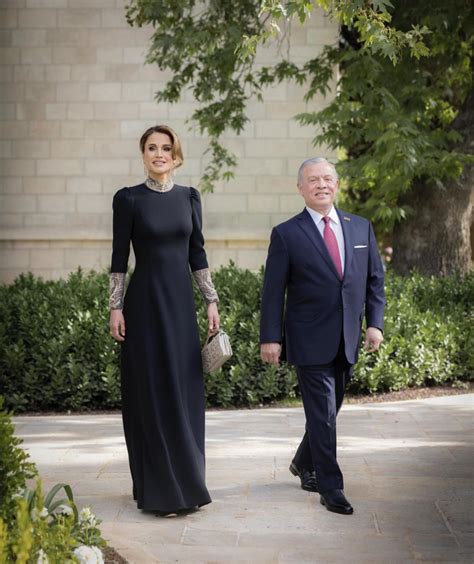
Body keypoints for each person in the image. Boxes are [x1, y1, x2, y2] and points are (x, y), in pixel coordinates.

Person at [260, 157, 385, 515]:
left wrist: (374, 324)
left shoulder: (360, 228)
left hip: (347, 337)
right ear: (300, 188)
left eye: (327, 178)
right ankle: (331, 486)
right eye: (313, 180)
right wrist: (270, 337)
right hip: (308, 338)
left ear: (338, 184)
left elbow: (375, 280)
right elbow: (273, 291)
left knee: (329, 412)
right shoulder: (287, 233)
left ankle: (303, 461)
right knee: (323, 414)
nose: (321, 184)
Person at [108, 125, 220, 515]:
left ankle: (189, 484)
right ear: (143, 155)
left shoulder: (190, 197)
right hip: (144, 307)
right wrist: (115, 307)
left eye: (166, 148)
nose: (159, 154)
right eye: (152, 148)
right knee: (151, 393)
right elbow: (119, 258)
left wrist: (211, 301)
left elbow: (198, 254)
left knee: (184, 390)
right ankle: (157, 490)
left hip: (181, 309)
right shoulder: (128, 200)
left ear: (176, 155)